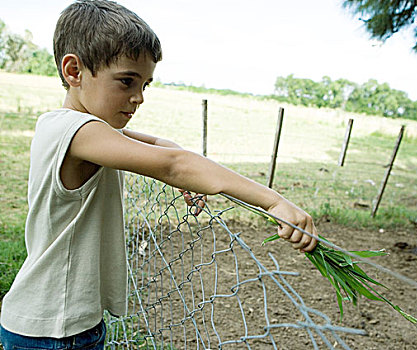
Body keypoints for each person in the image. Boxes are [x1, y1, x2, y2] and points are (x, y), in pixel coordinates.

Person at [0, 0, 318, 348]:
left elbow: (160, 148)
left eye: (145, 85)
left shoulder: (66, 126)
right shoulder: (80, 133)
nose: (138, 98)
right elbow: (173, 165)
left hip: (66, 322)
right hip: (53, 330)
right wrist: (273, 201)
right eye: (126, 81)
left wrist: (172, 150)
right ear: (74, 71)